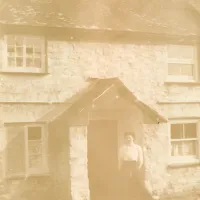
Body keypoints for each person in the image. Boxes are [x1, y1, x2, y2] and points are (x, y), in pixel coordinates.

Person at [119, 132, 151, 200]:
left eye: (129, 138)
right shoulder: (122, 148)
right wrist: (121, 168)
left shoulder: (137, 148)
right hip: (125, 166)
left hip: (134, 166)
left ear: (133, 138)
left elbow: (140, 160)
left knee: (137, 183)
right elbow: (120, 159)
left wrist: (136, 168)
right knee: (125, 183)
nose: (128, 139)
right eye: (126, 138)